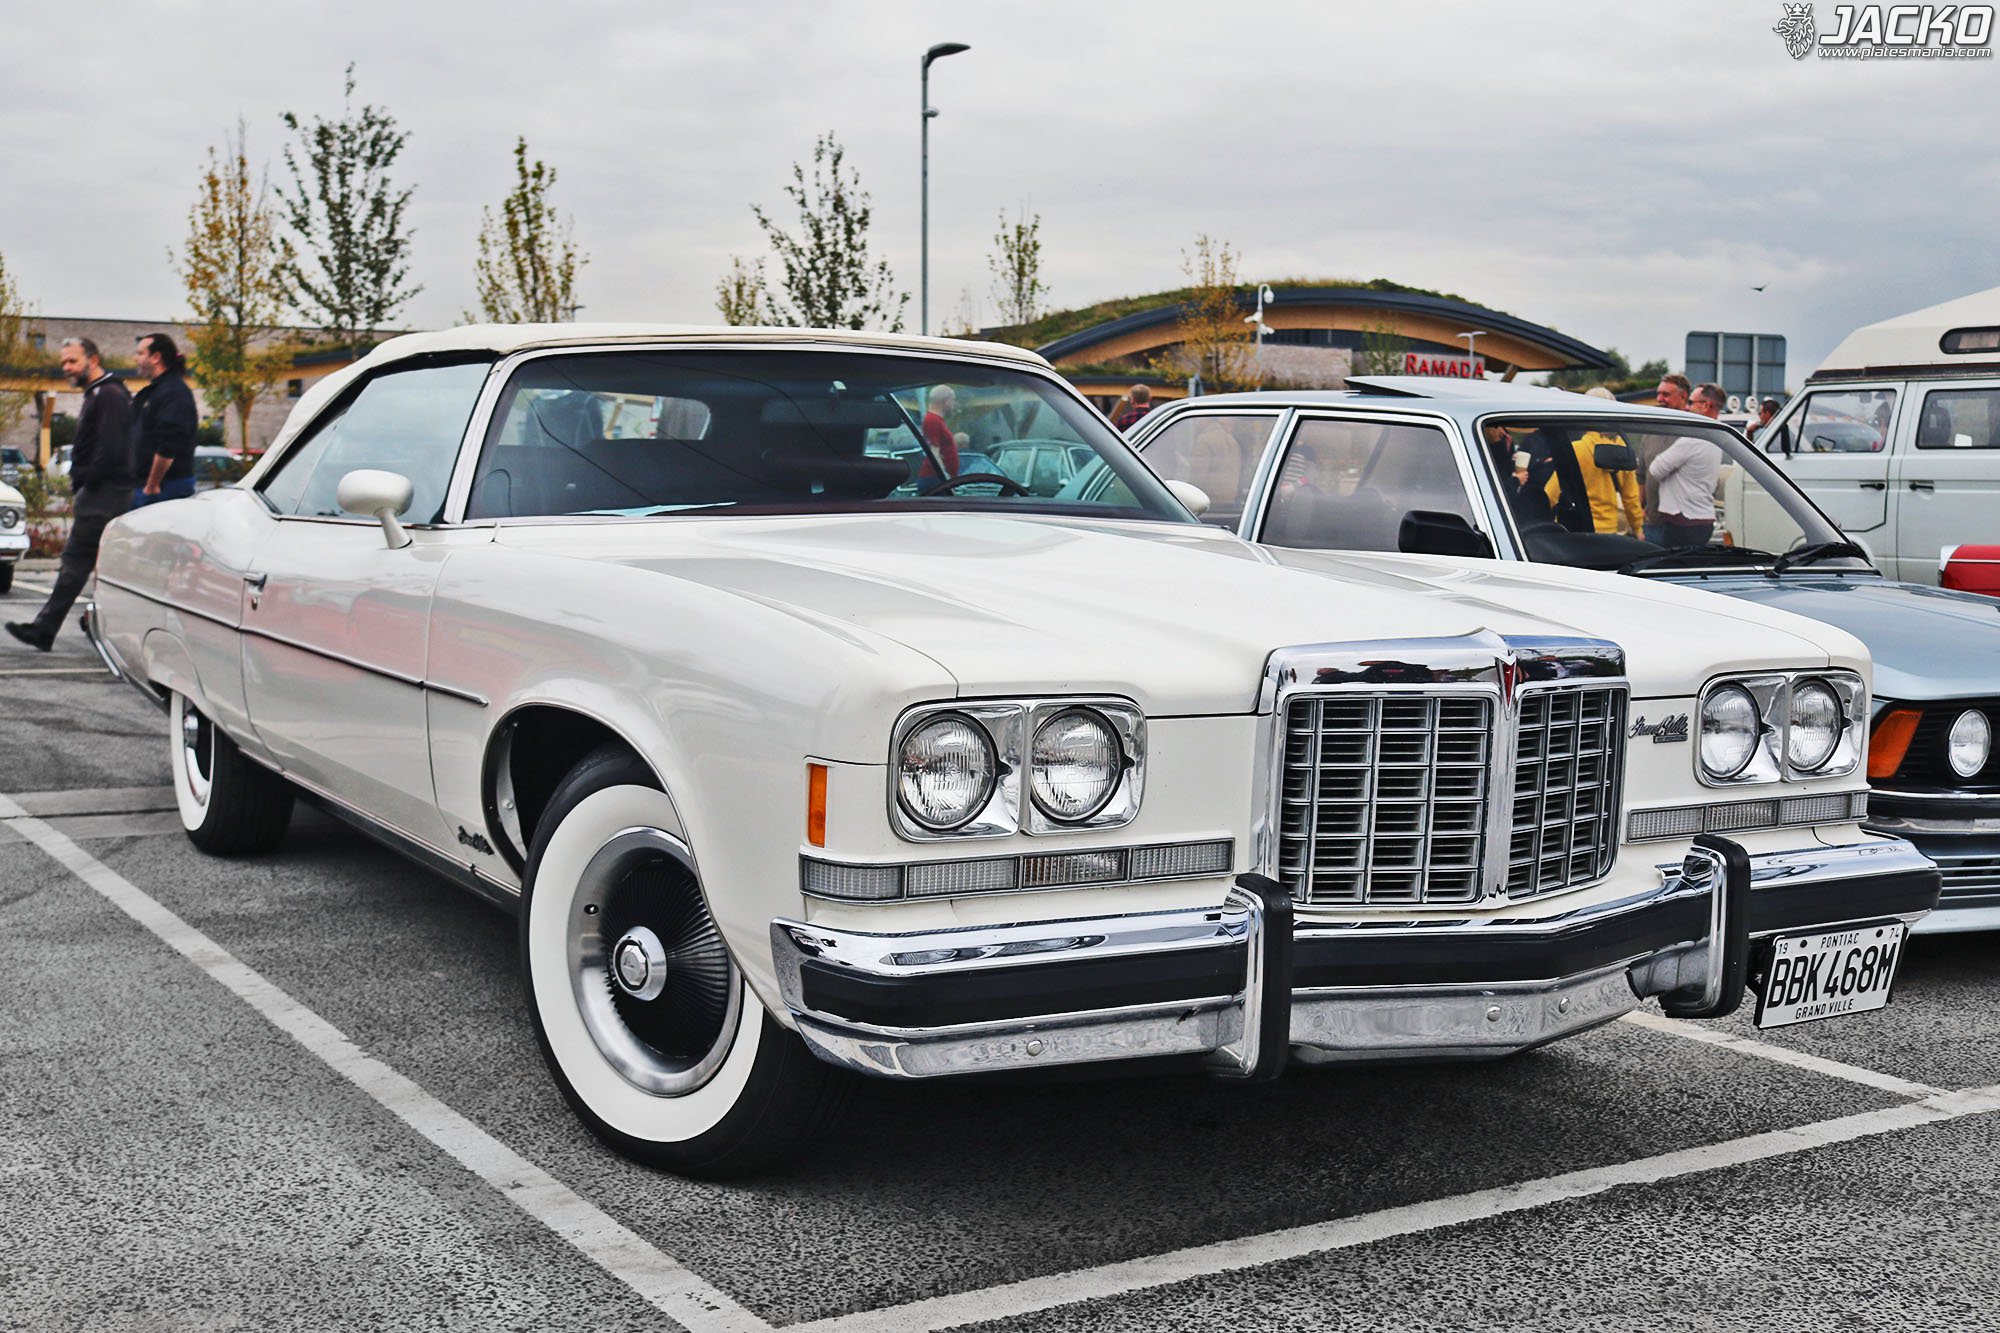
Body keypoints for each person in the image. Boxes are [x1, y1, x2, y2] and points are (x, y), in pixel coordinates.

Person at [6, 338, 134, 651]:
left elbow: (111, 447)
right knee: (95, 564)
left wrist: (87, 481)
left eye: (73, 361)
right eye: (64, 362)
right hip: (101, 493)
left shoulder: (109, 394)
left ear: (93, 359)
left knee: (76, 561)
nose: (66, 368)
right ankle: (77, 627)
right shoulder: (101, 393)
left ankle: (46, 629)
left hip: (103, 495)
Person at [1545, 386, 1644, 534]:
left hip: (1576, 531)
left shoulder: (1576, 450)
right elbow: (1631, 499)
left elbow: (1550, 495)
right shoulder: (1624, 452)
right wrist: (1637, 528)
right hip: (1610, 532)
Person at [1648, 382, 1726, 548]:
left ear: (1706, 405)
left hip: (1682, 520)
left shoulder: (1693, 439)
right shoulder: (1717, 435)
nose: (1687, 408)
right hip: (1704, 517)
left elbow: (1656, 469)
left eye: (1691, 403)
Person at [130, 332, 199, 506]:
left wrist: (152, 484)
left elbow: (170, 442)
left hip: (164, 487)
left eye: (140, 353)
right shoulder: (154, 392)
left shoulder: (174, 393)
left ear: (156, 357)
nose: (135, 358)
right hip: (148, 485)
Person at [1640, 373, 1695, 539]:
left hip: (1685, 524)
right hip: (1652, 522)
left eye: (1666, 394)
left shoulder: (1695, 432)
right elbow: (1641, 475)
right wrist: (1639, 509)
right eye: (1658, 394)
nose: (1659, 399)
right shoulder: (1650, 432)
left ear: (1683, 397)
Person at [915, 384, 967, 482]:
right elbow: (934, 452)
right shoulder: (932, 420)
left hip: (938, 479)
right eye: (953, 400)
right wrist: (944, 476)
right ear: (946, 401)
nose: (953, 404)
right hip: (935, 479)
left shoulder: (937, 420)